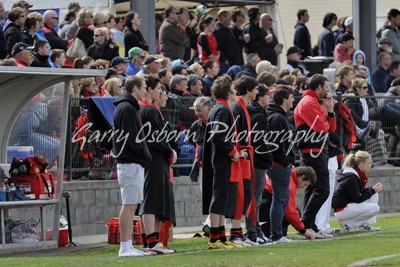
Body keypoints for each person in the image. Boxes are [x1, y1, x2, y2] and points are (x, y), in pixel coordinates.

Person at [112, 75, 152, 257]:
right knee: (129, 205)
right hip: (130, 162)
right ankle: (125, 246)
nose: (146, 90)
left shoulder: (127, 107)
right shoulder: (127, 108)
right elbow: (131, 138)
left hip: (131, 162)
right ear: (135, 88)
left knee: (131, 204)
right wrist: (145, 156)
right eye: (143, 87)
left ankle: (127, 245)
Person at [202, 74, 243, 250]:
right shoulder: (222, 109)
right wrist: (233, 152)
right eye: (233, 89)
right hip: (221, 161)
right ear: (227, 91)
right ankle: (214, 239)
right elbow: (218, 136)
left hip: (221, 160)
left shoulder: (221, 108)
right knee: (218, 199)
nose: (235, 92)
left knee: (221, 199)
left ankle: (220, 237)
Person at [294, 74, 336, 237]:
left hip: (317, 150)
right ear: (318, 87)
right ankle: (306, 224)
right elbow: (321, 127)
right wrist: (326, 119)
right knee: (323, 189)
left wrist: (330, 110)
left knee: (313, 188)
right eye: (326, 88)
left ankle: (308, 224)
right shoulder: (308, 102)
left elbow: (329, 128)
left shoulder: (314, 102)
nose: (327, 92)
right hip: (313, 151)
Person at [139, 75, 176, 255]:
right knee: (151, 200)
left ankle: (151, 242)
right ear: (150, 90)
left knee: (153, 200)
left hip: (152, 158)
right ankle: (151, 242)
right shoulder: (149, 110)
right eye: (159, 89)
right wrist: (170, 152)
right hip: (154, 159)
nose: (161, 92)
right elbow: (157, 139)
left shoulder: (149, 109)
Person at [229, 76, 259, 247]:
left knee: (246, 194)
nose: (257, 92)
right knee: (241, 195)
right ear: (248, 90)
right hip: (240, 157)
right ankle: (235, 234)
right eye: (255, 89)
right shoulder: (236, 107)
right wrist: (238, 152)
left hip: (245, 155)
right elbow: (231, 133)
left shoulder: (242, 107)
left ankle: (238, 233)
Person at [265, 84, 296, 244]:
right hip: (278, 165)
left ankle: (277, 233)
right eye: (291, 97)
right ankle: (276, 235)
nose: (293, 99)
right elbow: (277, 145)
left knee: (281, 199)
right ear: (284, 99)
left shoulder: (277, 115)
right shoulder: (277, 118)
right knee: (280, 199)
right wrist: (286, 161)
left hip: (277, 164)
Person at [245, 84, 272, 244]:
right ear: (259, 97)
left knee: (255, 198)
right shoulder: (259, 115)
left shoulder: (257, 113)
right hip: (257, 162)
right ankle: (253, 232)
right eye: (267, 95)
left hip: (255, 161)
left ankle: (255, 230)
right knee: (255, 198)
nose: (269, 97)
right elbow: (260, 141)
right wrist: (267, 156)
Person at [261, 166, 317, 240]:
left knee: (288, 210)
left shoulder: (288, 176)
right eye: (305, 184)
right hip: (261, 206)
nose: (304, 187)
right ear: (302, 177)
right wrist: (303, 230)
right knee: (288, 213)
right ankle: (264, 232)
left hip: (261, 204)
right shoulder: (289, 184)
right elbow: (290, 212)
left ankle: (262, 231)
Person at [332, 151, 382, 232]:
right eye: (369, 163)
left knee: (374, 195)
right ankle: (349, 224)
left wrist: (372, 189)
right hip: (342, 210)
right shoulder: (352, 177)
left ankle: (364, 225)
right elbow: (357, 199)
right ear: (361, 164)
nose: (371, 165)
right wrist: (372, 190)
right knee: (375, 208)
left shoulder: (356, 174)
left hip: (348, 206)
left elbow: (358, 192)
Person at [315, 133, 343, 234]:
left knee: (328, 197)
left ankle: (325, 224)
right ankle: (319, 224)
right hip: (326, 164)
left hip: (331, 164)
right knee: (324, 196)